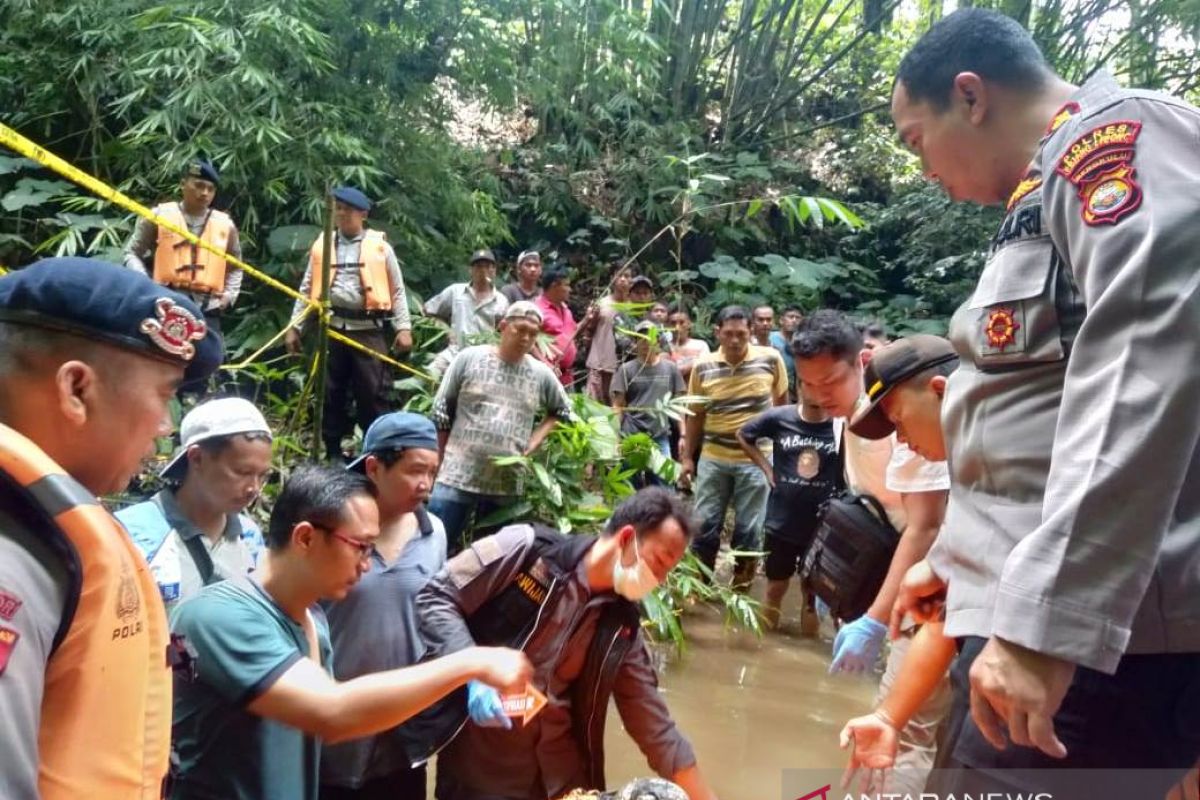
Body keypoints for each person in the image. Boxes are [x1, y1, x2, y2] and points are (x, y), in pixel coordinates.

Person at [888, 9, 1200, 796]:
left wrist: (1046, 622)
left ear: (970, 95)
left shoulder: (1117, 144)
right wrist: (965, 561)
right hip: (1048, 630)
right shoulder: (1041, 192)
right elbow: (1034, 419)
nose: (920, 167)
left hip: (1096, 648)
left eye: (914, 139)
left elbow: (1145, 362)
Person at [169, 466, 531, 800]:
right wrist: (469, 663)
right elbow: (331, 713)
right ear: (306, 538)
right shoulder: (214, 617)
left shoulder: (314, 621)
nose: (367, 563)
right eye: (360, 546)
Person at [0, 257, 221, 800]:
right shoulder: (13, 557)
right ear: (76, 388)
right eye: (165, 395)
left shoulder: (43, 535)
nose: (165, 427)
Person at [415, 487, 719, 800]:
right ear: (627, 537)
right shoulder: (527, 551)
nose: (659, 580)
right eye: (658, 563)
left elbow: (655, 728)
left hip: (562, 785)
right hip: (480, 777)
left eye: (667, 572)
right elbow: (435, 597)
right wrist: (473, 671)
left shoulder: (620, 625)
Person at [792, 315, 950, 797]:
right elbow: (869, 513)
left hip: (930, 597)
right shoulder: (856, 422)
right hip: (900, 588)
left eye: (831, 381)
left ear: (861, 363)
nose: (820, 395)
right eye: (808, 384)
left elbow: (925, 527)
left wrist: (876, 620)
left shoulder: (904, 419)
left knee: (904, 729)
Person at [319, 413, 446, 799]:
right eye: (415, 471)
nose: (425, 484)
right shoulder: (330, 532)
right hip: (333, 726)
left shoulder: (434, 532)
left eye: (433, 472)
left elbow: (437, 617)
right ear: (374, 467)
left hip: (404, 732)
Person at [428, 301, 576, 554]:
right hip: (456, 475)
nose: (526, 338)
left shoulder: (540, 374)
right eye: (520, 330)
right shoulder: (469, 358)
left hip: (505, 485)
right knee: (434, 546)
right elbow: (441, 411)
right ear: (503, 327)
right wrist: (438, 464)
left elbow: (563, 411)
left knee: (486, 561)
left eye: (533, 333)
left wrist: (535, 441)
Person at [285, 186, 413, 460]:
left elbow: (397, 290)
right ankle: (331, 452)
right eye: (338, 209)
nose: (342, 214)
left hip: (368, 332)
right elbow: (308, 287)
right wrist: (295, 326)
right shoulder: (323, 245)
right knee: (329, 392)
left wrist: (403, 327)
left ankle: (374, 453)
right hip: (330, 330)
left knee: (373, 394)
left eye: (348, 210)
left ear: (363, 214)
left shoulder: (381, 248)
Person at [117, 397, 271, 613]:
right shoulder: (130, 533)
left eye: (262, 476)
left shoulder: (249, 537)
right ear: (197, 458)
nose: (254, 488)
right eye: (243, 472)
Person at [681, 305, 787, 587]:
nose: (735, 340)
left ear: (751, 332)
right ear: (718, 333)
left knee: (750, 530)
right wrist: (687, 458)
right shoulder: (703, 367)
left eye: (741, 333)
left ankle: (741, 590)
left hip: (756, 460)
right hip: (713, 458)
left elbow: (781, 405)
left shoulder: (771, 360)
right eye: (729, 334)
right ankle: (700, 587)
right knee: (704, 526)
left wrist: (782, 451)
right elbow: (695, 415)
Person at [736, 388, 843, 633]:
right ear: (800, 387)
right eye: (809, 383)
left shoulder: (840, 425)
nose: (816, 391)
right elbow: (743, 434)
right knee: (774, 588)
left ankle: (808, 648)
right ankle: (764, 648)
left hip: (821, 525)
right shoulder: (779, 417)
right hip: (782, 521)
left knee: (812, 597)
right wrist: (766, 468)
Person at [124, 159, 244, 337]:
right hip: (163, 302)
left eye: (210, 189)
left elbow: (236, 265)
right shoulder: (158, 216)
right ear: (183, 185)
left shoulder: (225, 225)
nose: (204, 193)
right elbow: (132, 253)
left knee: (208, 362)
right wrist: (145, 283)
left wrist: (229, 295)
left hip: (208, 308)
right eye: (199, 185)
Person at [611, 320, 686, 486]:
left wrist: (683, 435)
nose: (645, 342)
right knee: (630, 487)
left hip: (659, 435)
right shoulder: (626, 369)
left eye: (649, 337)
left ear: (658, 340)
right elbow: (618, 405)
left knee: (665, 486)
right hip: (631, 436)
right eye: (641, 338)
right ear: (635, 343)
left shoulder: (670, 369)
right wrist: (615, 437)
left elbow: (678, 404)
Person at [424, 248, 509, 348]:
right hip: (455, 351)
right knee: (436, 364)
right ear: (471, 270)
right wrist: (446, 331)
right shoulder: (455, 291)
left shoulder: (501, 301)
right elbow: (429, 310)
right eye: (478, 266)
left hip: (484, 354)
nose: (483, 270)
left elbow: (506, 329)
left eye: (487, 266)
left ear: (494, 271)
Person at [582, 262, 633, 403]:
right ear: (612, 278)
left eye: (627, 276)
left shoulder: (635, 306)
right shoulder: (601, 304)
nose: (622, 279)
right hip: (599, 363)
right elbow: (589, 332)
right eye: (619, 275)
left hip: (623, 366)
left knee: (618, 407)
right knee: (595, 407)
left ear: (631, 281)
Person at [534, 268, 579, 386]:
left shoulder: (566, 310)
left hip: (567, 376)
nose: (570, 289)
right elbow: (529, 342)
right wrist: (546, 364)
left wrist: (588, 319)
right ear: (555, 286)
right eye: (567, 285)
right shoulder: (537, 309)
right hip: (547, 375)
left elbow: (571, 334)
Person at [666, 304, 710, 383]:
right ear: (667, 325)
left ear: (689, 324)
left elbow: (705, 368)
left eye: (682, 322)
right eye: (673, 323)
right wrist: (695, 362)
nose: (677, 327)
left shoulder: (701, 345)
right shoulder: (664, 347)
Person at [770, 306, 802, 400]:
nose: (794, 320)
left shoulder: (800, 344)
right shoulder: (770, 338)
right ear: (781, 320)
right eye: (791, 317)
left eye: (797, 318)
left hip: (788, 392)